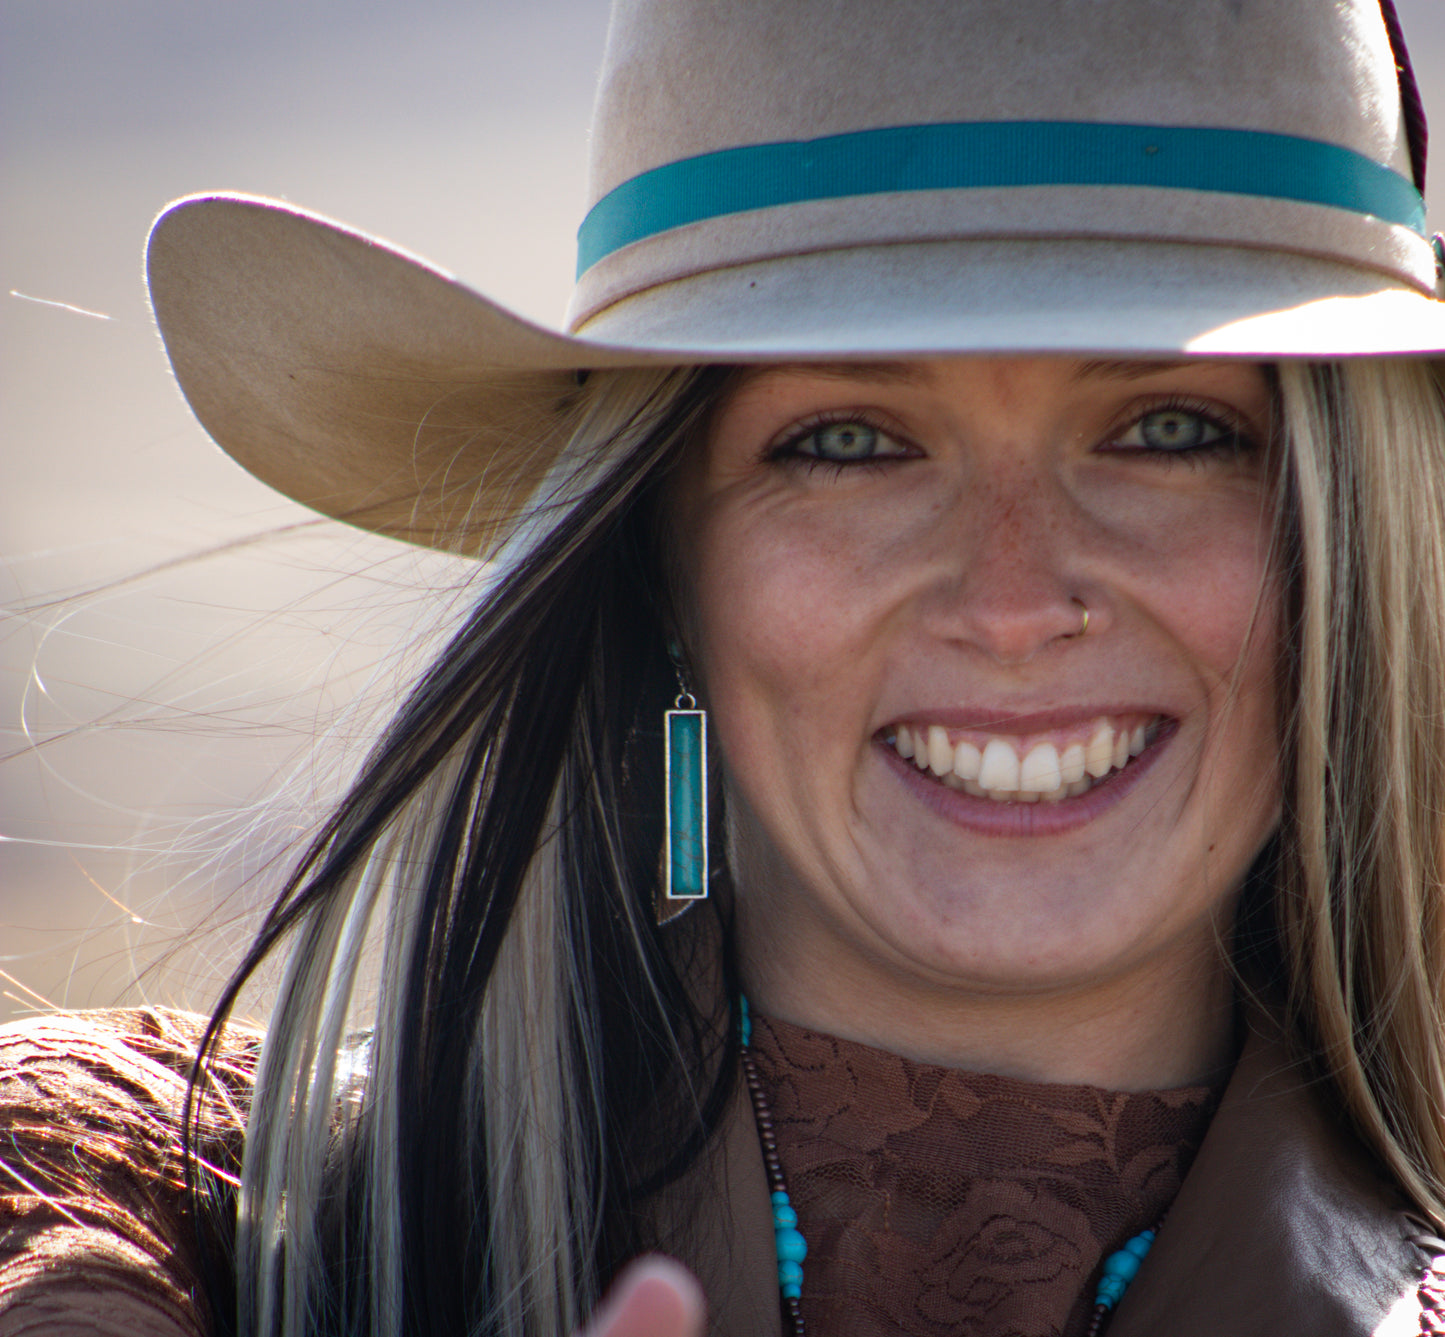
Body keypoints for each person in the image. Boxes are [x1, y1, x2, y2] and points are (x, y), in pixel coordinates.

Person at [4, 0, 1445, 1334]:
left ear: (1348, 546)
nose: (1012, 600)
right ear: (664, 568)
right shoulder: (146, 1229)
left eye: (1170, 430)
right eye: (847, 442)